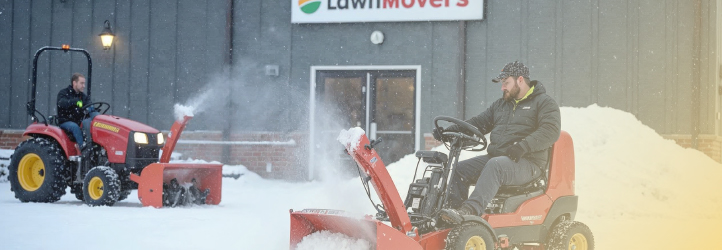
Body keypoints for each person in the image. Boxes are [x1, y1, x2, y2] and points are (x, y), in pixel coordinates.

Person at [433, 61, 561, 224]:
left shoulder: (544, 103)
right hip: (498, 159)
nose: (503, 88)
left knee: (496, 166)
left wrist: (523, 146)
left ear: (520, 80)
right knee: (459, 170)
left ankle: (469, 211)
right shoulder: (501, 105)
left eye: (506, 83)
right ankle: (452, 215)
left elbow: (550, 131)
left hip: (528, 163)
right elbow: (478, 123)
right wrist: (450, 130)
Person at [57, 73, 97, 150]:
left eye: (84, 83)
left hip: (79, 121)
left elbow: (89, 103)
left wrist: (91, 108)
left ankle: (94, 146)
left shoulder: (82, 96)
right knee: (75, 127)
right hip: (66, 121)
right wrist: (74, 101)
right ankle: (83, 150)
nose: (84, 86)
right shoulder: (64, 93)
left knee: (91, 122)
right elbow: (61, 103)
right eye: (81, 83)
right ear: (74, 83)